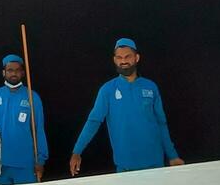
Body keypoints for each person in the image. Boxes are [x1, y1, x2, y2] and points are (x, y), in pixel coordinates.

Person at [69, 39, 182, 176]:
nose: (123, 61)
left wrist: (172, 155)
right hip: (126, 168)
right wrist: (77, 151)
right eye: (119, 57)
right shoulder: (107, 90)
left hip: (156, 166)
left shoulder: (150, 87)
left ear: (136, 58)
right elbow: (93, 121)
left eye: (128, 56)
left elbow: (161, 123)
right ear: (114, 60)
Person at [0, 54, 47, 184]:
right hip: (0, 162)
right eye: (10, 70)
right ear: (4, 72)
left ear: (22, 73)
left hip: (25, 163)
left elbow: (39, 130)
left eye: (17, 70)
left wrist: (40, 160)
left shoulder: (32, 97)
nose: (13, 73)